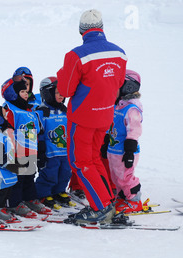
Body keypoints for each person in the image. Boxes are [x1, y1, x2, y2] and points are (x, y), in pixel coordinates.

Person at [56, 9, 128, 224]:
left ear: (81, 30)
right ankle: (106, 202)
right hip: (105, 115)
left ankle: (100, 208)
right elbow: (118, 83)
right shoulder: (120, 53)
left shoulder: (76, 55)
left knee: (80, 161)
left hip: (83, 118)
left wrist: (62, 73)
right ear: (102, 28)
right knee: (94, 159)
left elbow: (66, 90)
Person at [1, 76, 52, 216]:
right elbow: (8, 131)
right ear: (13, 93)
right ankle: (14, 204)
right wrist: (10, 152)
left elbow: (37, 129)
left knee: (29, 176)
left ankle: (29, 199)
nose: (26, 93)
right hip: (17, 152)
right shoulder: (10, 109)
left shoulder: (28, 110)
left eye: (26, 90)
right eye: (22, 91)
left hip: (30, 150)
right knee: (18, 179)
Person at [105, 70, 143, 213]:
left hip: (125, 152)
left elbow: (134, 130)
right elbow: (111, 126)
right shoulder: (118, 106)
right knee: (116, 177)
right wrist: (105, 143)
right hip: (114, 150)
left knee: (125, 177)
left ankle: (134, 200)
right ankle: (122, 197)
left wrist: (129, 151)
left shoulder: (132, 109)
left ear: (128, 87)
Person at [34, 76, 73, 209]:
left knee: (65, 172)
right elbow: (38, 131)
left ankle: (59, 191)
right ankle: (44, 194)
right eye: (57, 93)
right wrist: (41, 148)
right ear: (47, 93)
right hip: (50, 151)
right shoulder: (41, 112)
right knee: (49, 173)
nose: (61, 96)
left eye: (62, 93)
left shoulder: (65, 111)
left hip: (64, 150)